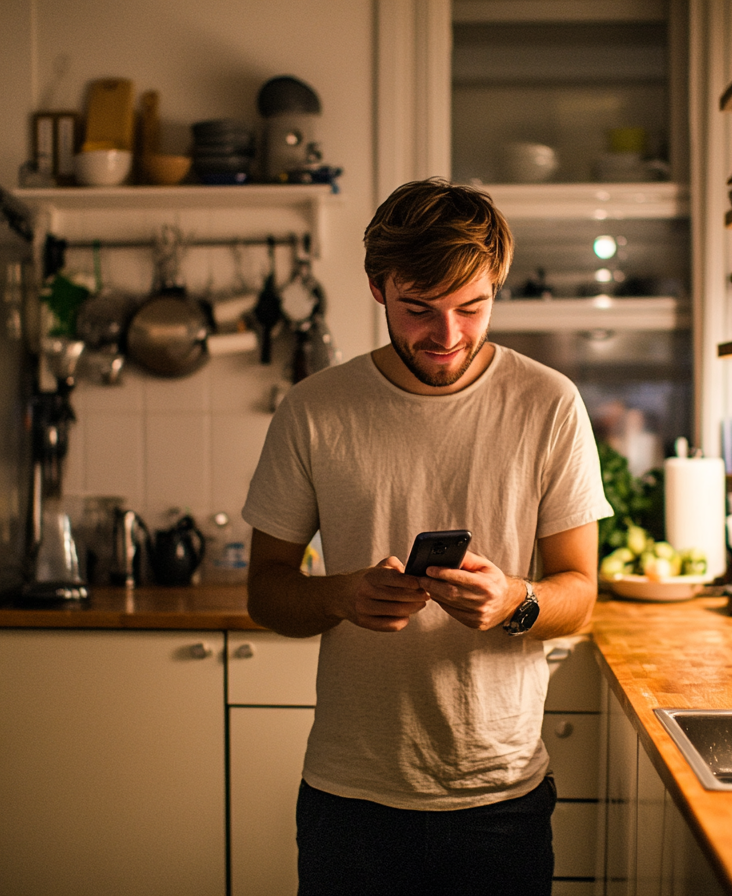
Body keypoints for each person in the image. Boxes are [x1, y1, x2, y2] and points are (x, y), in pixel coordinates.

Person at [241, 177, 612, 896]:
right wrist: (344, 595)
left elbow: (581, 591)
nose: (447, 336)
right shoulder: (315, 410)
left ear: (497, 286)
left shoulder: (549, 405)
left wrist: (514, 600)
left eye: (472, 307)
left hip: (500, 799)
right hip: (351, 799)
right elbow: (266, 592)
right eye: (419, 309)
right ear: (380, 288)